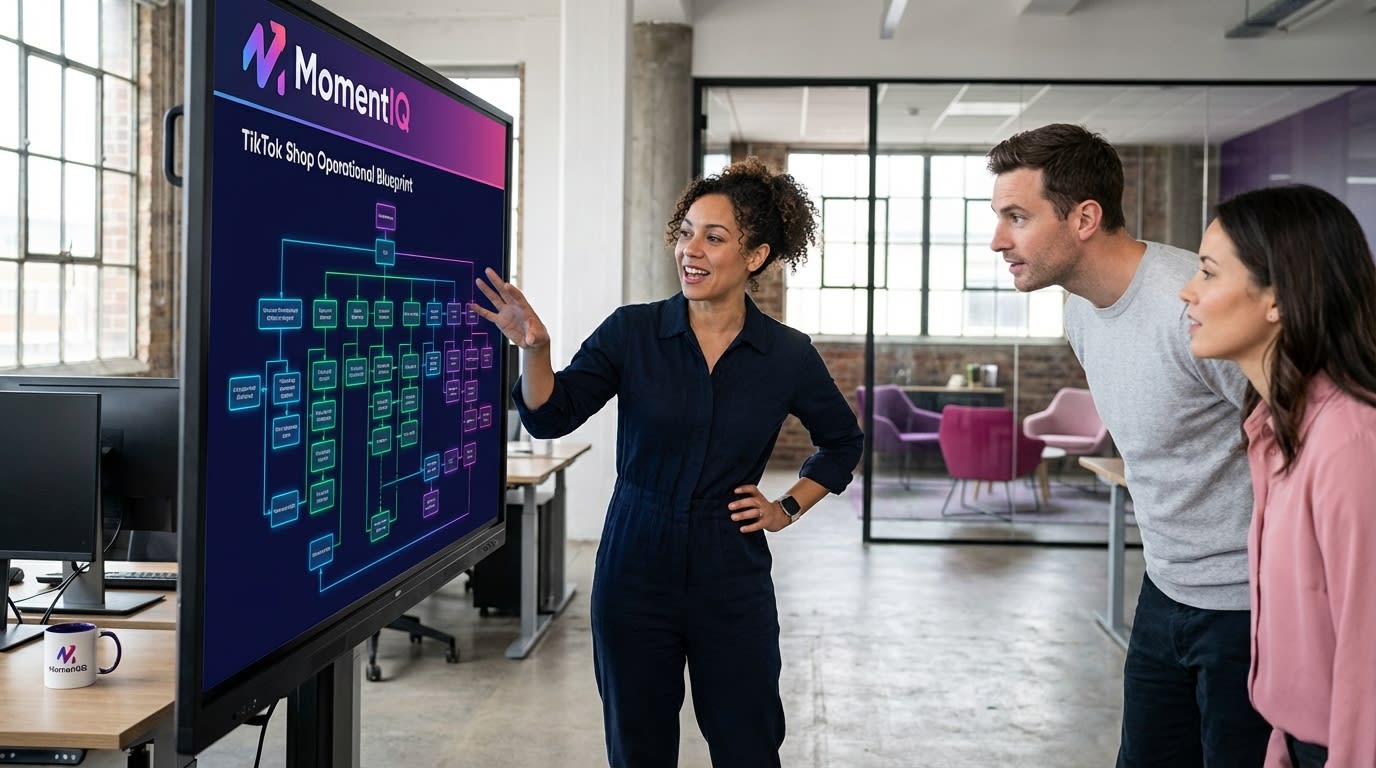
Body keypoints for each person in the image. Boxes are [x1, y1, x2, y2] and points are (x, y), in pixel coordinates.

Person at [471, 157, 864, 768]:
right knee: (638, 748)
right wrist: (536, 351)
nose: (691, 250)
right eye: (686, 232)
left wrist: (787, 507)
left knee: (749, 745)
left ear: (755, 256)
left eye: (714, 237)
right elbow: (551, 415)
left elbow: (843, 441)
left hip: (729, 568)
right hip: (635, 558)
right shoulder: (632, 333)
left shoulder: (786, 355)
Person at [986, 123, 1270, 767]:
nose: (998, 239)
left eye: (1017, 217)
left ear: (1084, 217)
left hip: (1248, 609)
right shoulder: (1080, 310)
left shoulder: (1189, 306)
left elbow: (1299, 443)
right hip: (1165, 589)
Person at [1179, 184, 1376, 768]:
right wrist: (1281, 741)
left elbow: (1367, 658)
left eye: (1209, 273)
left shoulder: (1350, 442)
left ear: (1279, 300)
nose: (1187, 292)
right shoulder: (1275, 425)